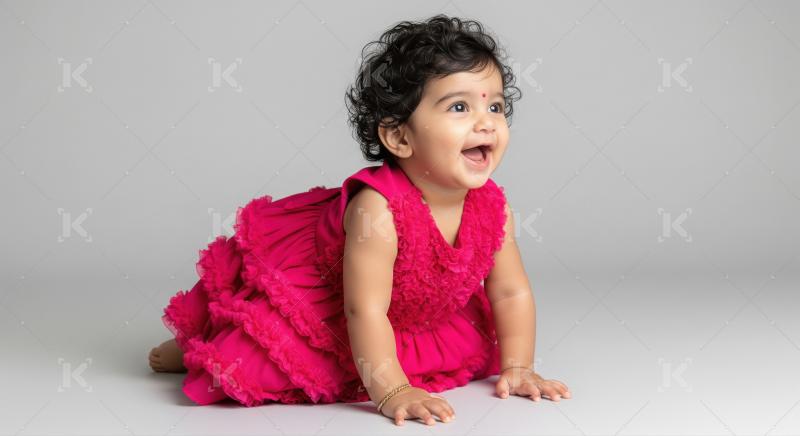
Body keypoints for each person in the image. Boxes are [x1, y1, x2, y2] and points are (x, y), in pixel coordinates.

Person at [149, 14, 571, 426]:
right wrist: (391, 390)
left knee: (469, 347)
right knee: (249, 363)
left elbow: (511, 293)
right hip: (335, 308)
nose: (486, 122)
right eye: (459, 107)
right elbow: (364, 309)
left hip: (411, 318)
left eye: (495, 106)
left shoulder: (493, 209)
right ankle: (192, 344)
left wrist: (519, 366)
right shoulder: (378, 211)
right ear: (399, 138)